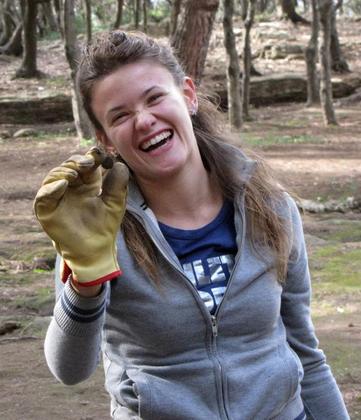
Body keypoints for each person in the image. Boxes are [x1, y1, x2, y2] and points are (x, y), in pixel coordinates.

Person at [34, 31, 349, 420]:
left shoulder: (271, 207)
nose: (145, 121)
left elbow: (306, 353)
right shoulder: (96, 230)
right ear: (105, 139)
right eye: (120, 115)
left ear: (187, 95)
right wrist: (84, 282)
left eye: (155, 98)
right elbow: (69, 370)